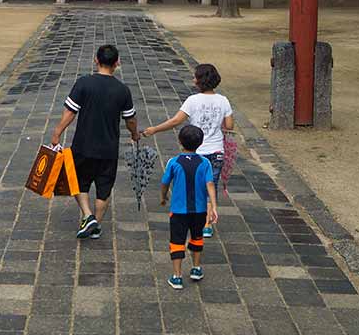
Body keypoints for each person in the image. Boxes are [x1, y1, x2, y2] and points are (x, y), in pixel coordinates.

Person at [50, 44, 140, 239]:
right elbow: (130, 119)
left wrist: (57, 132)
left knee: (78, 182)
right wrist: (134, 134)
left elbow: (70, 112)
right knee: (104, 188)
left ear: (96, 60)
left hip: (83, 145)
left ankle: (88, 216)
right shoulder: (122, 90)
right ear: (117, 63)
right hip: (109, 148)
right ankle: (95, 225)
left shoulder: (84, 83)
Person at [143, 63, 234, 238]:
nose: (193, 79)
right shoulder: (223, 100)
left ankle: (190, 215)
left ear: (200, 81)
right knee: (210, 185)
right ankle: (206, 224)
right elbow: (229, 125)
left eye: (195, 77)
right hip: (216, 151)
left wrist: (154, 129)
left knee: (193, 186)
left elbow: (175, 121)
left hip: (196, 152)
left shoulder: (192, 101)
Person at [160, 124, 218, 289]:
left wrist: (163, 197)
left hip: (178, 211)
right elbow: (210, 184)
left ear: (180, 141)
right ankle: (196, 268)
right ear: (200, 143)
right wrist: (213, 206)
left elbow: (164, 183)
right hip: (199, 211)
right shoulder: (205, 162)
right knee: (197, 237)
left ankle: (177, 276)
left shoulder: (174, 162)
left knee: (177, 241)